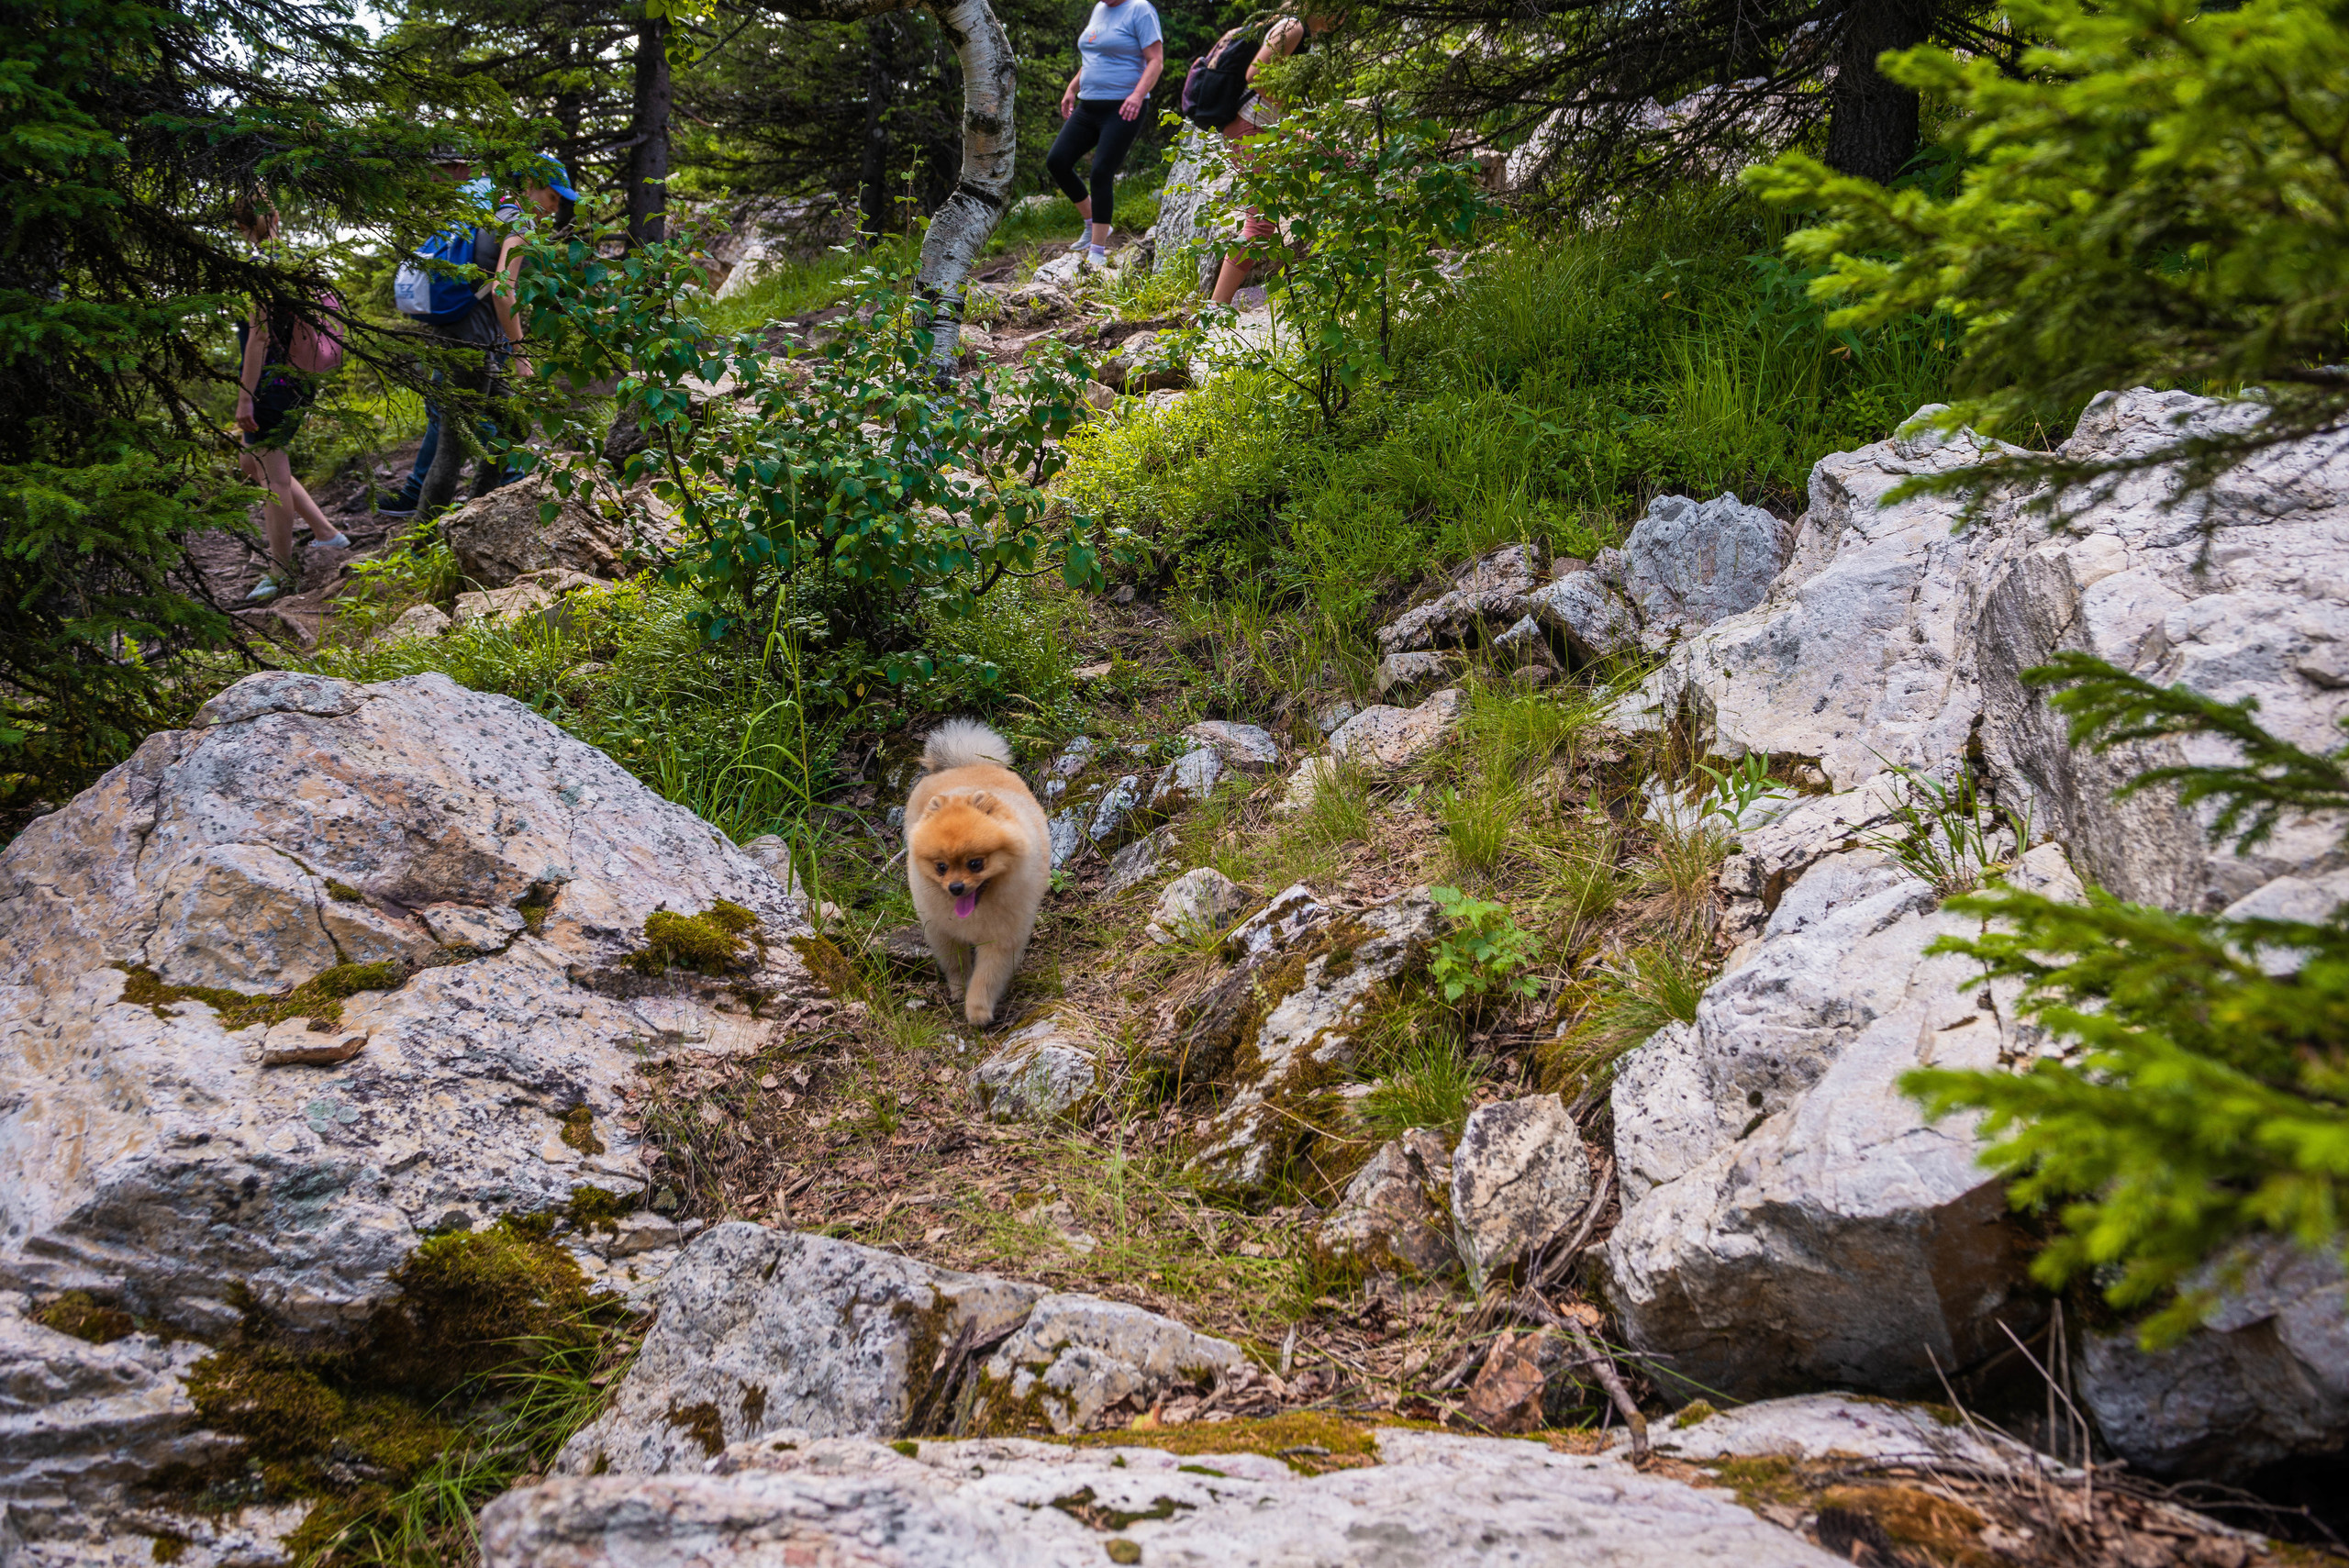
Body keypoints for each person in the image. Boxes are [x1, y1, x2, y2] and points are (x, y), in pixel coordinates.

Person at [409, 156, 575, 517]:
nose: (554, 207)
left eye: (559, 201)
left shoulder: (494, 208)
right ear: (529, 181)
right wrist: (520, 356)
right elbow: (503, 290)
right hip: (471, 341)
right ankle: (423, 542)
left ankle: (479, 508)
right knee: (454, 446)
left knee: (513, 424)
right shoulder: (519, 221)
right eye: (552, 196)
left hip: (470, 336)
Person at [230, 199, 350, 606]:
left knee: (271, 475)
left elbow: (259, 338)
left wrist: (245, 398)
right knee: (253, 462)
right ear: (276, 217)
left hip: (271, 383)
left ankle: (280, 573)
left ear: (238, 225)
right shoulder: (297, 259)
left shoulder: (262, 267)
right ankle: (326, 533)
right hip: (298, 378)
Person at [376, 153, 495, 518]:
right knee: (448, 407)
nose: (430, 178)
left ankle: (501, 479)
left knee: (468, 412)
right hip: (466, 318)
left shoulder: (482, 198)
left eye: (438, 170)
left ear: (460, 167)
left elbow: (494, 267)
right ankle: (423, 492)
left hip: (473, 321)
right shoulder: (476, 199)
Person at [1208, 11, 1337, 306]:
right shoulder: (1293, 27)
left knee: (1339, 158)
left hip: (1266, 126)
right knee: (1261, 224)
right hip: (1252, 127)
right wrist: (1293, 114)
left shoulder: (1306, 32)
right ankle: (1215, 310)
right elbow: (1255, 76)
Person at [1047, 0, 1163, 271]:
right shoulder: (1100, 9)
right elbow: (1093, 56)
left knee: (1101, 172)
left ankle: (1097, 253)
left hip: (1124, 106)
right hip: (1089, 105)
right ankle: (1094, 224)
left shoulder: (1140, 9)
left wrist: (1137, 95)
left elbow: (1155, 61)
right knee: (1057, 161)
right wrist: (1072, 87)